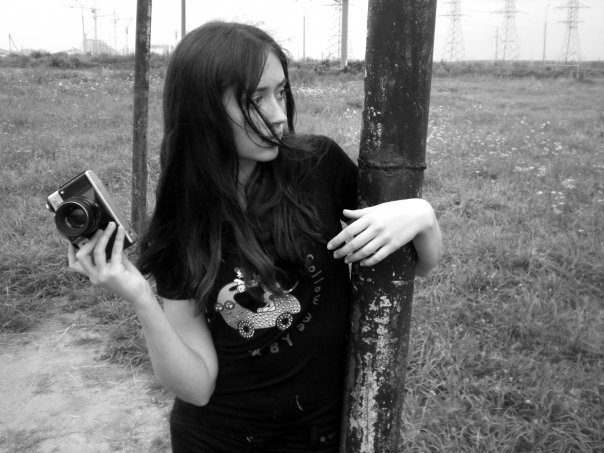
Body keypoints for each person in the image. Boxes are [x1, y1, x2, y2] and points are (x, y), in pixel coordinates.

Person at [67, 21, 442, 453]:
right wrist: (140, 299)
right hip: (218, 439)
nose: (279, 115)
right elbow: (197, 388)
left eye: (280, 92)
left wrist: (422, 216)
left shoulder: (318, 167)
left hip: (318, 436)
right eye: (255, 100)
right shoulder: (184, 217)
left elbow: (418, 266)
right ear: (203, 111)